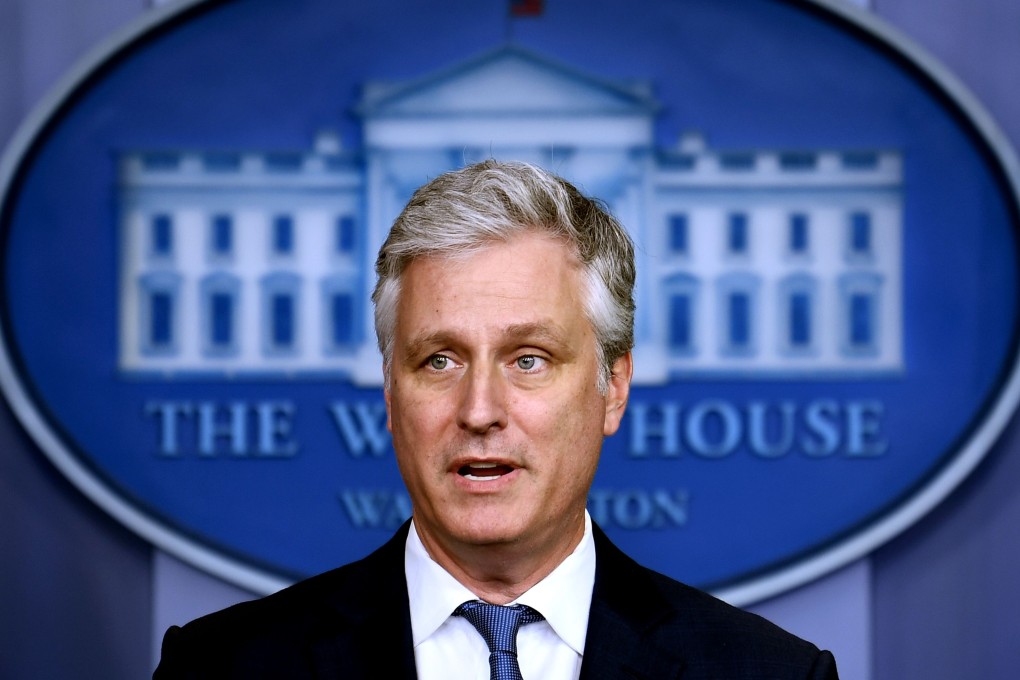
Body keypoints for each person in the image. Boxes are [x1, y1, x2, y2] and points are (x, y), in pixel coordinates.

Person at [154, 160, 838, 679]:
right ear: (391, 397)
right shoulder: (217, 669)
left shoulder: (770, 674)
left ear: (614, 387)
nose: (480, 412)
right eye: (440, 361)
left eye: (530, 360)